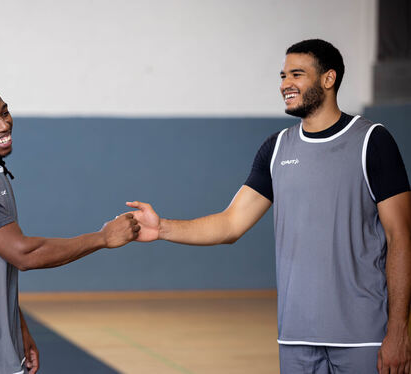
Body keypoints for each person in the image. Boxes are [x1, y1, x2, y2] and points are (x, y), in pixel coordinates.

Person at [127, 39, 411, 373]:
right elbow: (231, 224)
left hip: (364, 335)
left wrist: (398, 331)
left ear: (328, 79)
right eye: (282, 75)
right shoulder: (276, 148)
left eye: (297, 74)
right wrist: (162, 228)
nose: (285, 84)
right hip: (295, 335)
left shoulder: (372, 141)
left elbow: (401, 237)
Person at [0, 77, 139, 374]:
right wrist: (103, 237)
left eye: (4, 112)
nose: (3, 125)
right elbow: (23, 254)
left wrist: (17, 327)